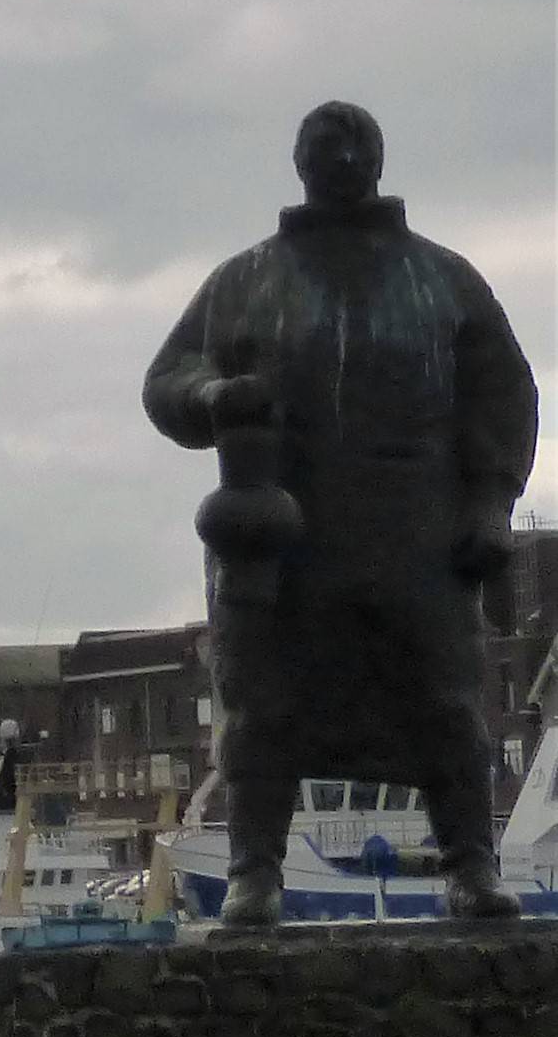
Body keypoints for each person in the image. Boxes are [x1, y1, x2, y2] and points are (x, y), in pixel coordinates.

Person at [143, 103, 537, 924]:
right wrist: (214, 394)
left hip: (417, 537)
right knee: (261, 706)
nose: (342, 158)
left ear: (379, 161)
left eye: (355, 145)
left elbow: (503, 396)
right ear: (299, 163)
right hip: (278, 541)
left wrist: (491, 504)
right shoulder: (242, 281)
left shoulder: (443, 280)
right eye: (325, 146)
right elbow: (166, 381)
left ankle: (471, 866)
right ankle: (255, 870)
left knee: (444, 702)